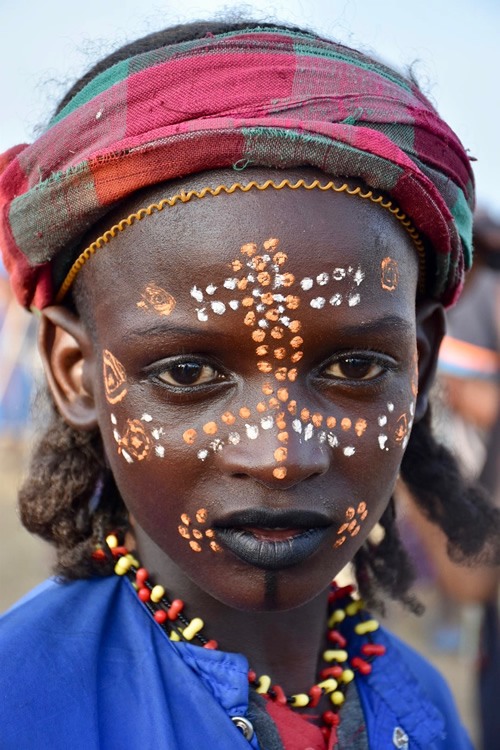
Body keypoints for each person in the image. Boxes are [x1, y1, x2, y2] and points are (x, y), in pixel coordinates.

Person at [0, 20, 498, 750]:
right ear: (77, 373)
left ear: (419, 364)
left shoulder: (419, 706)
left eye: (355, 368)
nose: (281, 455)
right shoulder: (25, 702)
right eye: (189, 373)